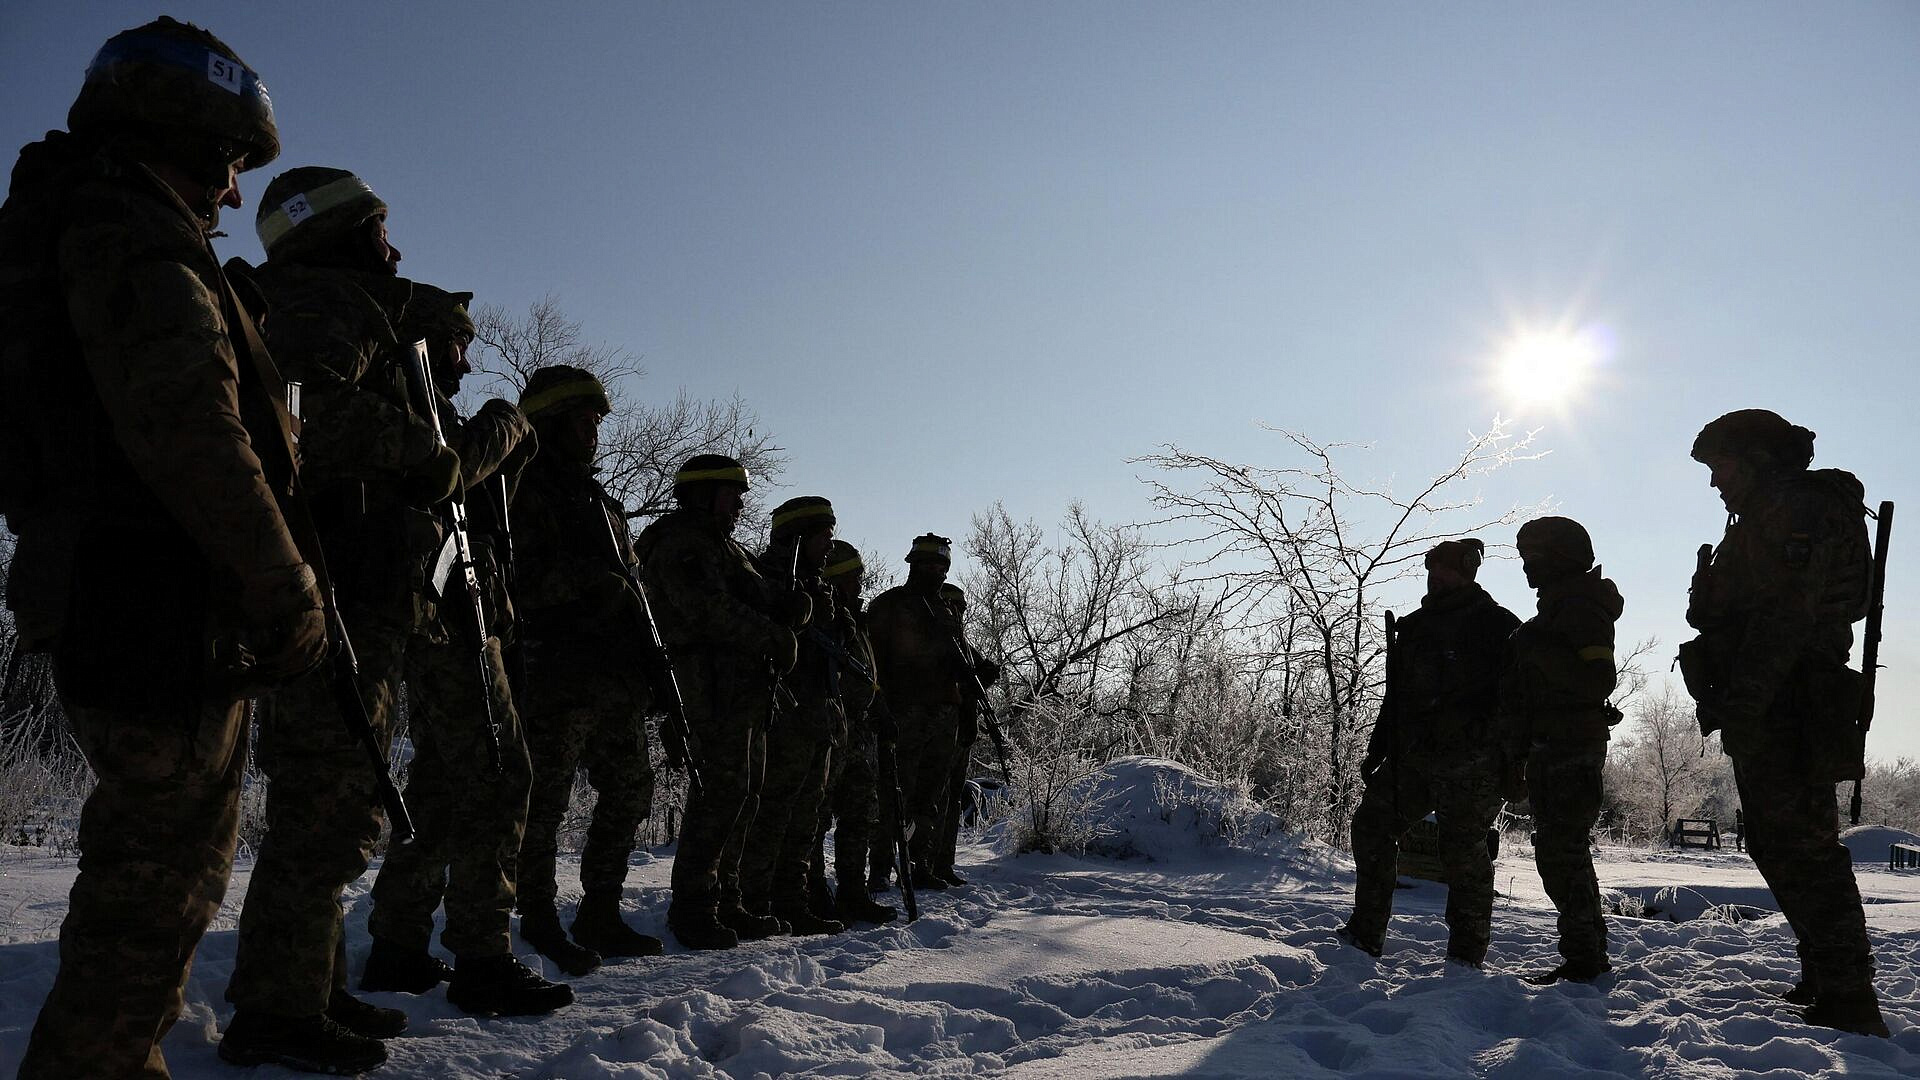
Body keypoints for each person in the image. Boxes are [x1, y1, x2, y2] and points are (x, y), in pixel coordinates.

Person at [3, 19, 325, 1078]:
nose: (231, 193)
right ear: (183, 136)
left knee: (154, 891)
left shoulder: (84, 222)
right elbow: (192, 430)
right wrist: (285, 582)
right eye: (227, 162)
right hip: (147, 601)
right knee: (152, 900)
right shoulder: (131, 232)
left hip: (129, 594)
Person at [222, 164, 454, 1071]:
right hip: (336, 590)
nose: (394, 251)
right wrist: (424, 451)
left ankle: (310, 988)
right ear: (343, 233)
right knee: (324, 812)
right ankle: (274, 1011)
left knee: (337, 807)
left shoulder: (326, 303)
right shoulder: (326, 302)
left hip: (351, 590)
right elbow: (308, 411)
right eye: (380, 230)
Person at [359, 286, 571, 1015]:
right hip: (444, 620)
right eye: (457, 343)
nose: (466, 359)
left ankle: (398, 942)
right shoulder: (409, 404)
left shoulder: (412, 405)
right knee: (502, 774)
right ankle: (482, 952)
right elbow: (447, 468)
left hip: (446, 616)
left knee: (444, 789)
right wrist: (504, 424)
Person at [1682, 409, 1887, 1036]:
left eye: (1722, 466)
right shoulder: (1763, 515)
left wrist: (1744, 704)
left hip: (1790, 703)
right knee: (1775, 844)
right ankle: (1823, 976)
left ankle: (1849, 994)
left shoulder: (1795, 509)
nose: (1715, 481)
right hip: (1771, 702)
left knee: (1806, 849)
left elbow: (1785, 619)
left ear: (1759, 461)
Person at [509, 365, 661, 971]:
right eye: (583, 420)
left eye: (597, 421)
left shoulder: (602, 501)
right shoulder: (522, 489)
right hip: (555, 672)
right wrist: (588, 583)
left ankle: (600, 909)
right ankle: (538, 915)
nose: (594, 432)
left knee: (631, 788)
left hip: (612, 676)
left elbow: (632, 586)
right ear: (550, 423)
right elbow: (516, 580)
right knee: (542, 802)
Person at [635, 454, 794, 949]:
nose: (740, 505)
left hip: (742, 688)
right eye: (731, 494)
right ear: (703, 496)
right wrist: (772, 634)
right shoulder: (680, 543)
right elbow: (707, 609)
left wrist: (789, 605)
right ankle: (694, 907)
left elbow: (758, 594)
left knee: (743, 795)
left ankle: (727, 901)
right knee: (717, 795)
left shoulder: (727, 548)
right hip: (706, 686)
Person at [1338, 540, 1519, 966]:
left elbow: (1518, 700)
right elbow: (1396, 696)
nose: (1435, 578)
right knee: (1371, 825)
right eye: (1430, 570)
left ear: (1466, 574)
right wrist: (1378, 748)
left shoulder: (1498, 626)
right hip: (1414, 758)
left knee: (1463, 850)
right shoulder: (1416, 626)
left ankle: (1466, 955)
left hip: (1473, 765)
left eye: (1444, 571)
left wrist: (1509, 759)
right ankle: (1365, 933)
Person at [1499, 517, 1622, 986]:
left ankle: (1584, 959)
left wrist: (1536, 650)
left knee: (1560, 853)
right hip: (1552, 746)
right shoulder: (1557, 608)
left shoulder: (1580, 608)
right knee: (1561, 852)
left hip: (1571, 747)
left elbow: (1598, 679)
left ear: (1560, 558)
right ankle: (1586, 954)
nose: (1526, 566)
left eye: (1533, 556)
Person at [735, 497, 845, 935]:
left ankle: (792, 900)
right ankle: (756, 898)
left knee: (806, 817)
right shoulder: (767, 579)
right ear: (798, 537)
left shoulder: (818, 586)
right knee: (774, 812)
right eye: (823, 536)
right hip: (785, 717)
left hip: (817, 717)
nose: (830, 546)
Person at [867, 534, 970, 889]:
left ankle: (918, 863)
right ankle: (880, 866)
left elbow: (959, 659)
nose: (938, 574)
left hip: (942, 716)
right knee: (895, 794)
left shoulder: (945, 610)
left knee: (930, 797)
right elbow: (874, 661)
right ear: (914, 566)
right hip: (904, 713)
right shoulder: (890, 605)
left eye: (942, 568)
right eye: (931, 566)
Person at [812, 541, 899, 925]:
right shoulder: (822, 618)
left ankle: (853, 891)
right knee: (817, 816)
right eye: (852, 578)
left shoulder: (856, 622)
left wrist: (881, 712)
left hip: (860, 732)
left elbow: (869, 677)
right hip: (831, 729)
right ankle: (812, 890)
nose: (860, 584)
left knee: (860, 814)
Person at [931, 583, 1000, 887]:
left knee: (952, 803)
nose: (957, 614)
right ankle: (923, 862)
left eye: (961, 609)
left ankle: (942, 863)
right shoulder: (934, 642)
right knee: (934, 801)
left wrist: (978, 679)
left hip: (961, 733)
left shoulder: (963, 646)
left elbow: (985, 669)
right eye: (953, 607)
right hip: (937, 735)